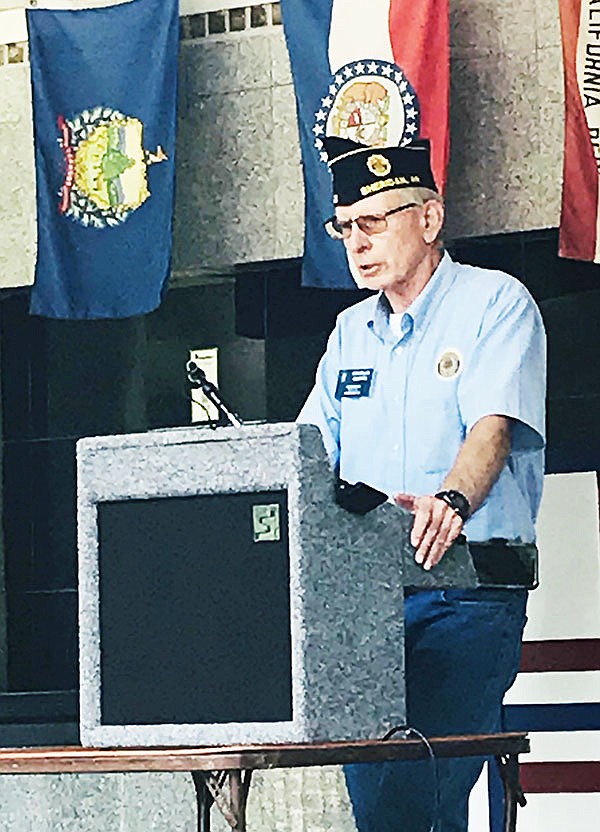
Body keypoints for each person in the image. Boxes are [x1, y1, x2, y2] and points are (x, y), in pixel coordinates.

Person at [297, 136, 546, 832]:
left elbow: (492, 429)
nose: (357, 242)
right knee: (391, 813)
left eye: (374, 222)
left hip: (465, 598)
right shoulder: (349, 334)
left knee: (409, 807)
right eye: (345, 227)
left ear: (428, 220)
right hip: (363, 615)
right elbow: (310, 458)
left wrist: (454, 499)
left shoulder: (496, 304)